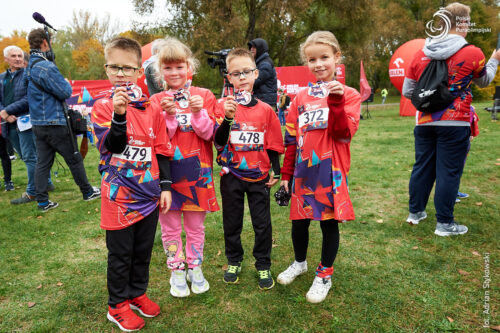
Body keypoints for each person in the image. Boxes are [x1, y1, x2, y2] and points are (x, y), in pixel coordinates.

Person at [91, 37, 174, 332]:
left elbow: (161, 148)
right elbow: (113, 145)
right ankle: (117, 305)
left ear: (139, 71)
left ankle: (137, 293)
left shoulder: (152, 107)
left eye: (128, 68)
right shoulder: (102, 106)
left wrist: (165, 186)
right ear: (107, 69)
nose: (122, 74)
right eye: (116, 67)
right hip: (119, 196)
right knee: (121, 254)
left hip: (149, 194)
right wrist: (119, 114)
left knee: (142, 250)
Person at [276, 31, 360, 304]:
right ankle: (300, 263)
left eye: (324, 57)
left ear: (337, 58)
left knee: (327, 224)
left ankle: (324, 274)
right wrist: (286, 176)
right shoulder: (299, 98)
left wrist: (335, 102)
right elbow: (291, 141)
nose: (318, 64)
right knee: (299, 222)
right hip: (303, 172)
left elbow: (343, 134)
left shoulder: (349, 94)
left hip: (330, 172)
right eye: (312, 59)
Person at [403, 2, 500, 236]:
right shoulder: (472, 52)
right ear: (464, 23)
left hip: (424, 121)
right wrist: (495, 59)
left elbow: (408, 91)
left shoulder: (421, 53)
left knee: (422, 168)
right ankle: (445, 224)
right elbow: (484, 81)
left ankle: (415, 213)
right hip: (455, 122)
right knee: (448, 172)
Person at [149, 37, 220, 297]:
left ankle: (195, 266)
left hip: (197, 175)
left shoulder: (205, 96)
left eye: (180, 66)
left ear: (189, 67)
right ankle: (176, 269)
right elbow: (159, 139)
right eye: (168, 68)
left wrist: (199, 112)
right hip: (166, 178)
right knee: (169, 227)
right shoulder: (156, 100)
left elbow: (209, 134)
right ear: (160, 72)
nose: (175, 72)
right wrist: (168, 116)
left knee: (195, 227)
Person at [214, 48, 284, 290]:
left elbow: (273, 142)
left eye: (246, 72)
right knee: (232, 221)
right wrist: (228, 118)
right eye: (236, 73)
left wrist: (277, 171)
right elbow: (219, 141)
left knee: (261, 223)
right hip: (231, 175)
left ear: (256, 74)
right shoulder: (222, 106)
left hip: (259, 177)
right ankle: (234, 260)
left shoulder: (266, 110)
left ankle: (263, 263)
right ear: (229, 78)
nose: (242, 77)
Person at [25, 28, 100, 211]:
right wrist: (65, 82)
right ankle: (87, 191)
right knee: (74, 158)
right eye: (50, 41)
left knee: (43, 163)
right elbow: (65, 92)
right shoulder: (46, 66)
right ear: (45, 42)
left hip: (38, 124)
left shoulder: (30, 66)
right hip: (55, 122)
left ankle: (42, 202)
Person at [0, 45, 56, 204]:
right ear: (6, 59)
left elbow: (28, 98)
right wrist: (4, 112)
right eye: (14, 56)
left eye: (19, 55)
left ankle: (33, 192)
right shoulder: (1, 78)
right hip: (8, 124)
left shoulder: (29, 75)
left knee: (31, 157)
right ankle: (47, 182)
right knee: (26, 157)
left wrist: (8, 110)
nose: (18, 58)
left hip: (26, 122)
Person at [248, 38, 278, 109]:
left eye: (254, 47)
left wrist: (240, 81)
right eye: (251, 47)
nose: (251, 49)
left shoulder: (265, 64)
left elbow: (256, 81)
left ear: (260, 48)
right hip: (263, 101)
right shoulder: (260, 62)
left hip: (266, 103)